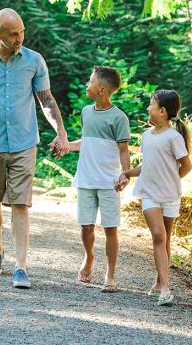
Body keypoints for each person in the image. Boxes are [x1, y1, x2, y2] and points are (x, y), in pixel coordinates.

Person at [0, 8, 70, 289]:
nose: (19, 37)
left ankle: (21, 266)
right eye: (13, 34)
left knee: (21, 203)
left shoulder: (34, 60)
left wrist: (61, 133)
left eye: (22, 32)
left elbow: (46, 99)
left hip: (24, 142)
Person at [116, 89, 191, 306]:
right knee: (158, 236)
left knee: (166, 237)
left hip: (170, 195)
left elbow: (186, 166)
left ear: (162, 111)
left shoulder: (174, 137)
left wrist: (172, 179)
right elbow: (146, 166)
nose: (147, 108)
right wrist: (127, 173)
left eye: (151, 104)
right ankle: (166, 289)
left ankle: (160, 280)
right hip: (149, 193)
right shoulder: (147, 137)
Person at [66, 66, 131, 293]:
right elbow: (86, 141)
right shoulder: (86, 111)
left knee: (110, 228)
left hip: (109, 182)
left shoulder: (119, 117)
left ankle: (110, 273)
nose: (87, 84)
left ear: (102, 89)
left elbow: (123, 150)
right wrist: (67, 146)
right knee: (86, 227)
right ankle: (89, 257)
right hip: (85, 179)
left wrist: (126, 173)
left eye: (90, 81)